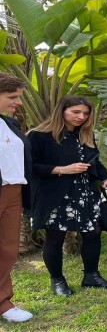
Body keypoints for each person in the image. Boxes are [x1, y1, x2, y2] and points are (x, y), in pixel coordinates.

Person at [28, 96, 107, 296]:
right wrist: (61, 169)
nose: (81, 117)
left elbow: (95, 161)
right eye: (75, 112)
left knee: (93, 233)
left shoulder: (84, 134)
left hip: (85, 192)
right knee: (55, 238)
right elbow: (30, 167)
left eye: (85, 113)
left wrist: (106, 177)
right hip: (56, 195)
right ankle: (58, 281)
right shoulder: (40, 135)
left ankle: (91, 276)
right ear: (62, 111)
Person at [0, 73, 33, 322]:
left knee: (8, 250)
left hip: (13, 191)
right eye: (12, 97)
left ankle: (3, 303)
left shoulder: (10, 124)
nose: (18, 103)